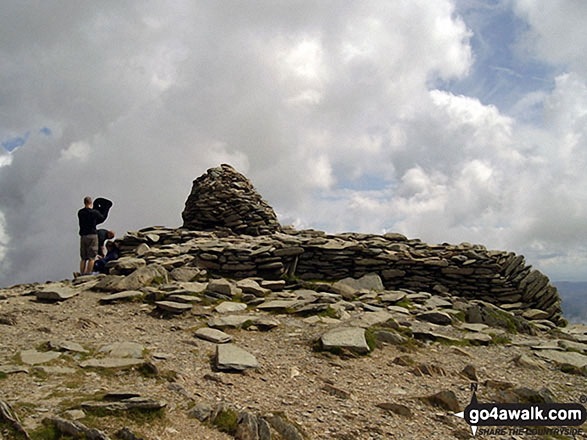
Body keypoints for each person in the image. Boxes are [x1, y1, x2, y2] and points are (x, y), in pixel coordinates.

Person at [76, 196, 106, 276]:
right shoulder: (94, 212)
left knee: (83, 257)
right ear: (91, 203)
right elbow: (101, 217)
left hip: (83, 235)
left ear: (84, 202)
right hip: (92, 235)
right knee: (92, 257)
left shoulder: (80, 212)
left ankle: (82, 273)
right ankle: (88, 274)